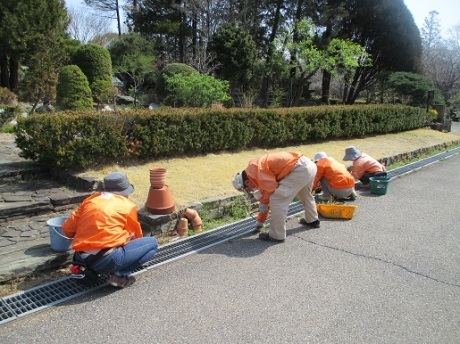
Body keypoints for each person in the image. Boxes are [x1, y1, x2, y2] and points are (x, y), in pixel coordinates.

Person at [62, 172, 158, 288]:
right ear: (125, 193)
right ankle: (118, 276)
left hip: (81, 260)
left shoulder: (90, 200)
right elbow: (135, 235)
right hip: (106, 260)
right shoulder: (127, 205)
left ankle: (102, 269)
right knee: (152, 244)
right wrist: (137, 255)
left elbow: (67, 229)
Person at [232, 151, 320, 243]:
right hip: (309, 165)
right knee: (305, 194)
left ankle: (277, 236)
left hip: (299, 169)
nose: (251, 190)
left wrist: (263, 204)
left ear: (247, 182)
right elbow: (266, 193)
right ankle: (313, 220)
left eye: (248, 189)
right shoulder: (254, 169)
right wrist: (260, 221)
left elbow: (270, 190)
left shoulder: (257, 171)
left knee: (277, 200)